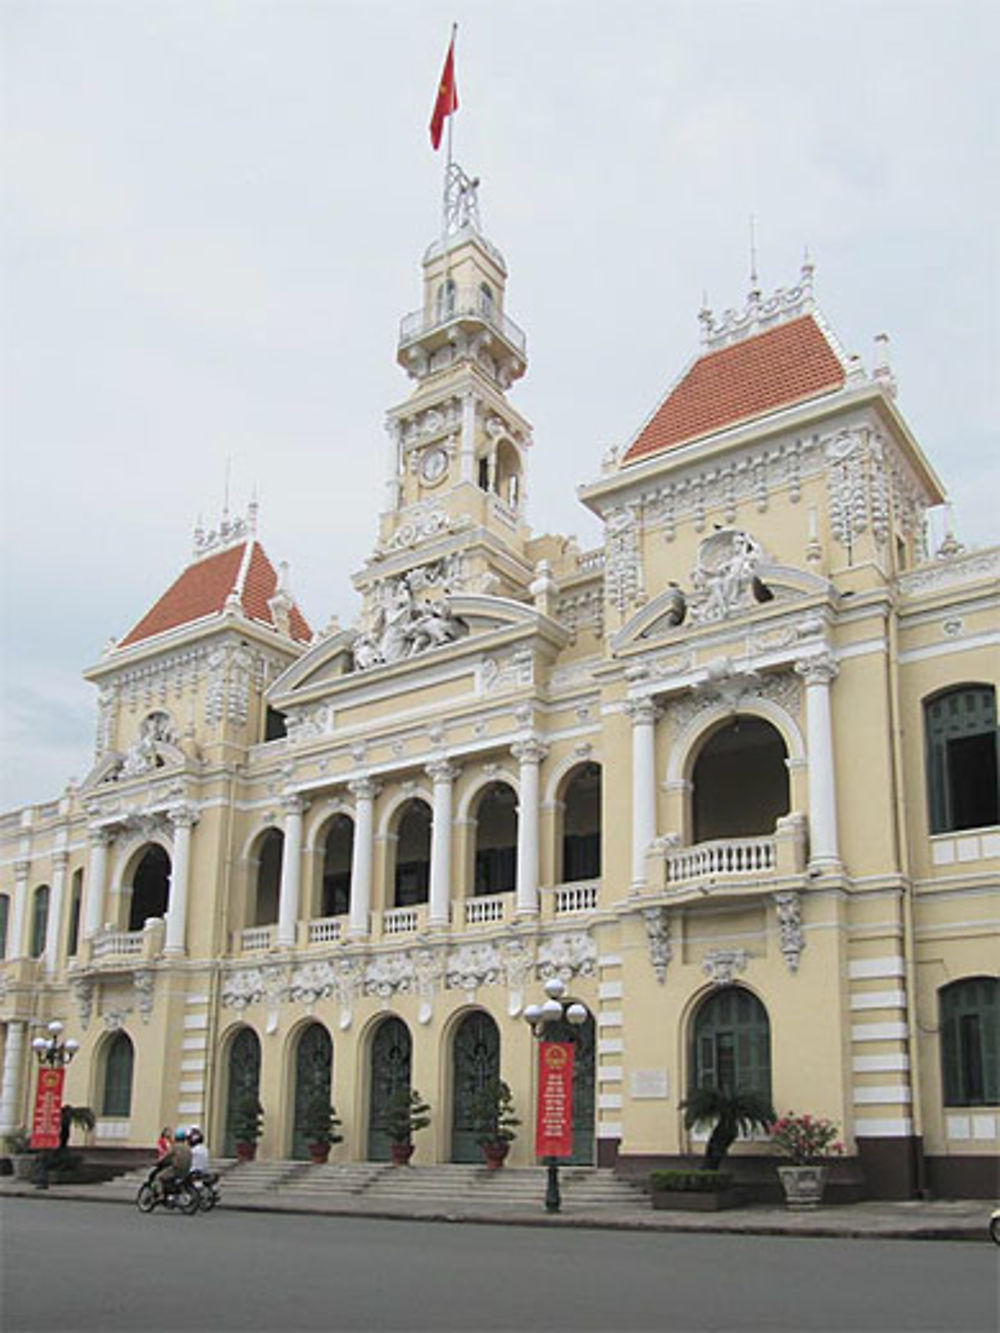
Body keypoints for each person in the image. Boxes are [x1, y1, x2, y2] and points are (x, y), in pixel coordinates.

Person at [147, 1127, 192, 1198]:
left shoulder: (174, 1146)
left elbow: (166, 1155)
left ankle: (161, 1195)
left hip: (176, 1170)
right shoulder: (188, 1147)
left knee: (158, 1177)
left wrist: (158, 1162)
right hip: (186, 1170)